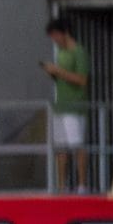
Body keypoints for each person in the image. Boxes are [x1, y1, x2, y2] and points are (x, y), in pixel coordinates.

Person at [41, 20, 92, 192]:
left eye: (55, 35)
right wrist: (53, 73)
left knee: (77, 146)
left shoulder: (79, 52)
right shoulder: (61, 53)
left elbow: (82, 80)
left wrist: (59, 71)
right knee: (61, 148)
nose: (54, 40)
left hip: (74, 107)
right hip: (60, 106)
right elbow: (62, 78)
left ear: (64, 32)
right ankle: (62, 186)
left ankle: (82, 185)